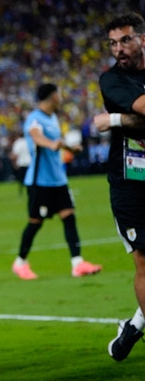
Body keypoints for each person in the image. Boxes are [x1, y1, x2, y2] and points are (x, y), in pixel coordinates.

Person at [93, 12, 145, 361]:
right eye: (112, 43)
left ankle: (134, 327)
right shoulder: (112, 80)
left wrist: (112, 119)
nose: (118, 49)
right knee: (144, 260)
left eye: (125, 40)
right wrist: (128, 118)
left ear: (142, 39)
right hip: (131, 181)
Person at [11, 83, 102, 280]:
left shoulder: (52, 117)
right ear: (53, 96)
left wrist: (70, 148)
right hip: (40, 181)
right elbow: (36, 137)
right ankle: (20, 263)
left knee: (69, 217)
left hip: (58, 179)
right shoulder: (35, 118)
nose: (60, 98)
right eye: (58, 95)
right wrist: (52, 144)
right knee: (35, 222)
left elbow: (56, 143)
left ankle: (77, 263)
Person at [9, 129, 31, 194]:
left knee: (21, 179)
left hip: (22, 163)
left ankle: (21, 191)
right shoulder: (29, 141)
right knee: (29, 179)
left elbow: (15, 154)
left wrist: (14, 163)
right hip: (30, 163)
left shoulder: (18, 142)